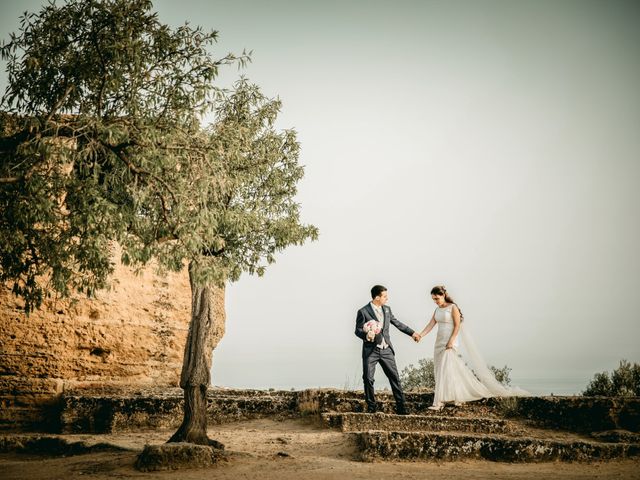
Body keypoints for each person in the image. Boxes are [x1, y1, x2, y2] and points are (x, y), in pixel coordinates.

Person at [417, 285, 528, 410]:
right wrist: (420, 335)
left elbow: (457, 326)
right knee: (443, 370)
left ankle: (439, 402)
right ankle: (453, 397)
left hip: (449, 342)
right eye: (433, 299)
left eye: (437, 298)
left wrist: (451, 341)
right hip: (438, 343)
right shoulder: (437, 310)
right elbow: (430, 325)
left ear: (443, 295)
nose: (435, 301)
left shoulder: (453, 308)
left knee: (446, 368)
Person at [355, 285, 421, 414]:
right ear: (377, 297)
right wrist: (366, 335)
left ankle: (402, 409)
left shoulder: (387, 309)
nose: (387, 298)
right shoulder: (363, 311)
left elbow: (397, 323)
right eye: (385, 296)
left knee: (395, 378)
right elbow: (357, 330)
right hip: (371, 351)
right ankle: (371, 408)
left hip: (387, 350)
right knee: (368, 378)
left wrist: (412, 333)